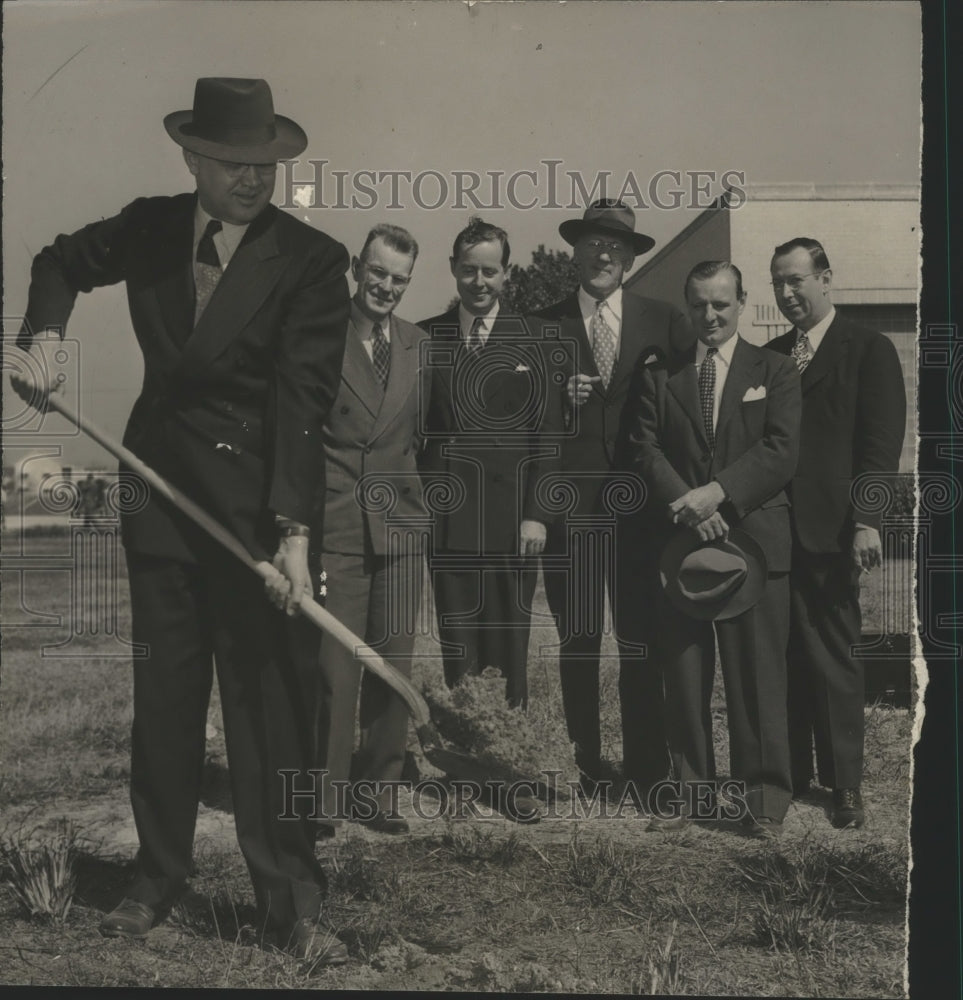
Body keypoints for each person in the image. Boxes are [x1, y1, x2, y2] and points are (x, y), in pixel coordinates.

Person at [11, 78, 351, 963]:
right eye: (235, 163)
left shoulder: (312, 261)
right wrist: (44, 339)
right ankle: (156, 881)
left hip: (251, 516)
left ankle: (288, 897)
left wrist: (292, 531)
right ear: (193, 159)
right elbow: (58, 262)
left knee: (268, 707)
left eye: (268, 165)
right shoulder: (153, 226)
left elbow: (303, 402)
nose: (254, 181)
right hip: (159, 498)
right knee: (165, 703)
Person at [632, 261, 801, 837]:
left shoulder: (774, 369)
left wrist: (719, 496)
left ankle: (763, 798)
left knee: (756, 675)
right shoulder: (661, 376)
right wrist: (688, 503)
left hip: (754, 538)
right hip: (683, 543)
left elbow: (781, 451)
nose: (710, 315)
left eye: (721, 304)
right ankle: (690, 793)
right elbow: (645, 449)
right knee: (683, 671)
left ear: (741, 303)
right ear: (688, 305)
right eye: (700, 304)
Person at [537, 199, 691, 799]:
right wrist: (554, 395)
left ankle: (648, 769)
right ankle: (584, 765)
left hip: (640, 509)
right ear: (573, 253)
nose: (603, 255)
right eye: (592, 244)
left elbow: (687, 407)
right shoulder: (539, 325)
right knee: (578, 637)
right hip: (568, 509)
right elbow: (513, 418)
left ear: (630, 259)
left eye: (615, 247)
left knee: (640, 634)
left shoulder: (665, 320)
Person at [765, 238, 906, 829]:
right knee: (785, 654)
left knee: (835, 656)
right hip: (772, 533)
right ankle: (794, 773)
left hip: (834, 530)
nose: (787, 293)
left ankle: (845, 784)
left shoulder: (867, 349)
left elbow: (880, 445)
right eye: (778, 282)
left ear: (827, 280)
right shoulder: (770, 355)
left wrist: (868, 521)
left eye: (797, 280)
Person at [313, 224, 427, 836]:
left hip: (402, 530)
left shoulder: (416, 345)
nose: (386, 286)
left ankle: (378, 793)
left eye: (399, 279)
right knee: (335, 670)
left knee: (394, 666)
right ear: (359, 268)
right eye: (378, 272)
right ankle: (325, 801)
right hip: (339, 527)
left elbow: (426, 434)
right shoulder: (321, 335)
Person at [418, 217, 561, 708]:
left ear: (507, 274)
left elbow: (548, 434)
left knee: (507, 649)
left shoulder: (536, 338)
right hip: (448, 519)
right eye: (469, 270)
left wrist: (537, 513)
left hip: (510, 523)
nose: (479, 282)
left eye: (490, 272)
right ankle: (465, 758)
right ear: (453, 270)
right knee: (459, 648)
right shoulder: (423, 338)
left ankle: (509, 758)